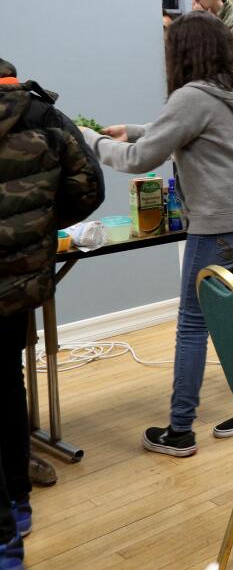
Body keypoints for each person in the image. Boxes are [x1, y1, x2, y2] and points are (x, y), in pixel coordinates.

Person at [80, 12, 233, 456]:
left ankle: (180, 431)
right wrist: (135, 130)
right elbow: (197, 134)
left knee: (193, 325)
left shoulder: (191, 96)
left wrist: (88, 139)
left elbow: (138, 160)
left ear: (183, 53)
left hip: (218, 226)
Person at [0, 60, 105, 565]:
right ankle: (18, 499)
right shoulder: (44, 115)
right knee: (7, 383)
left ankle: (6, 530)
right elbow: (90, 189)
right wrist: (39, 226)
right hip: (20, 280)